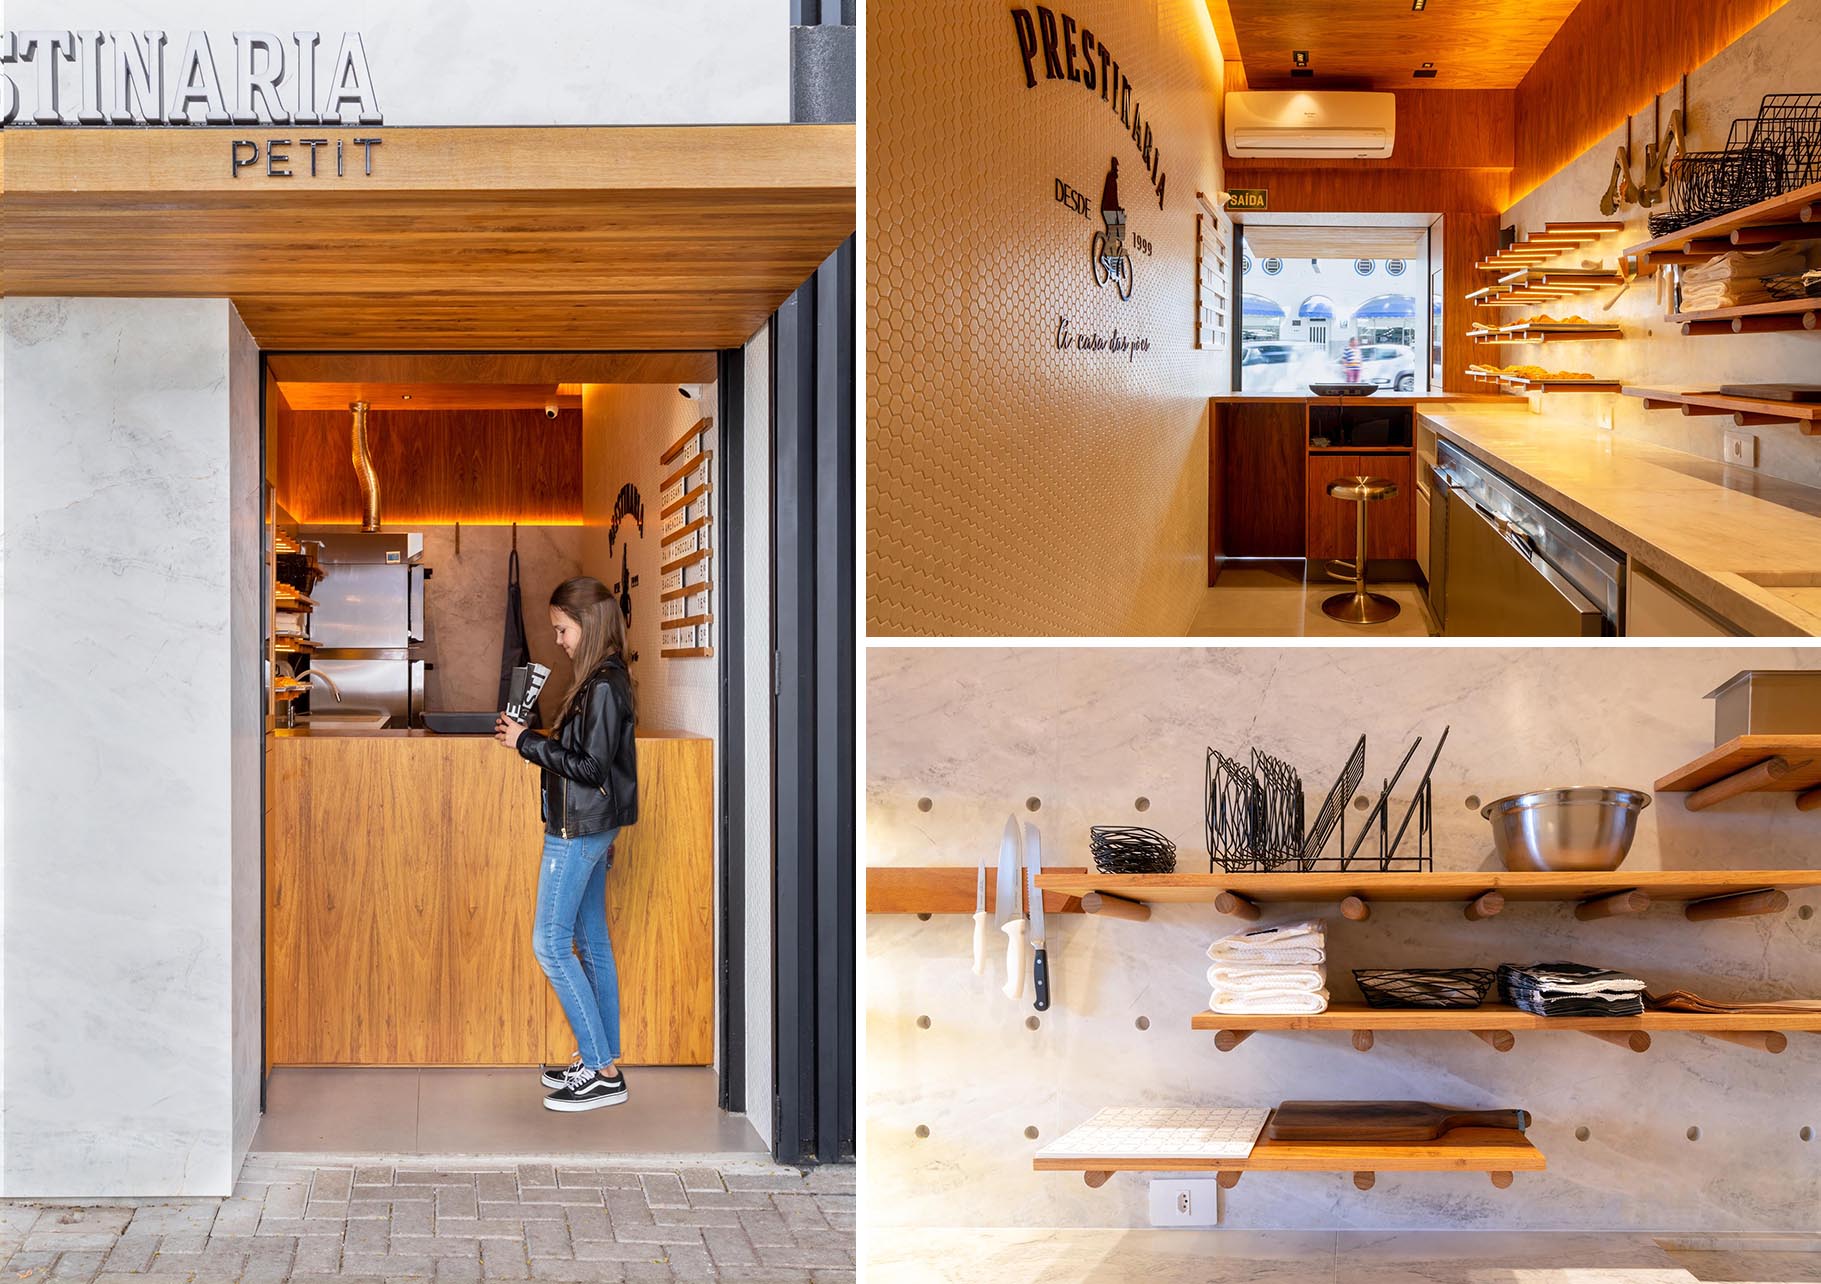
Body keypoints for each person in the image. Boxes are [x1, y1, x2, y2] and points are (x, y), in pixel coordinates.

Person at [494, 576, 639, 1112]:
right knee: (591, 942)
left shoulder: (603, 685)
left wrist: (526, 742)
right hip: (591, 825)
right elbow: (588, 756)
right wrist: (533, 736)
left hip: (579, 828)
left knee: (551, 945)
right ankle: (602, 1060)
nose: (558, 639)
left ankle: (601, 1071)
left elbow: (589, 767)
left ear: (589, 623)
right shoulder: (603, 679)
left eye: (562, 629)